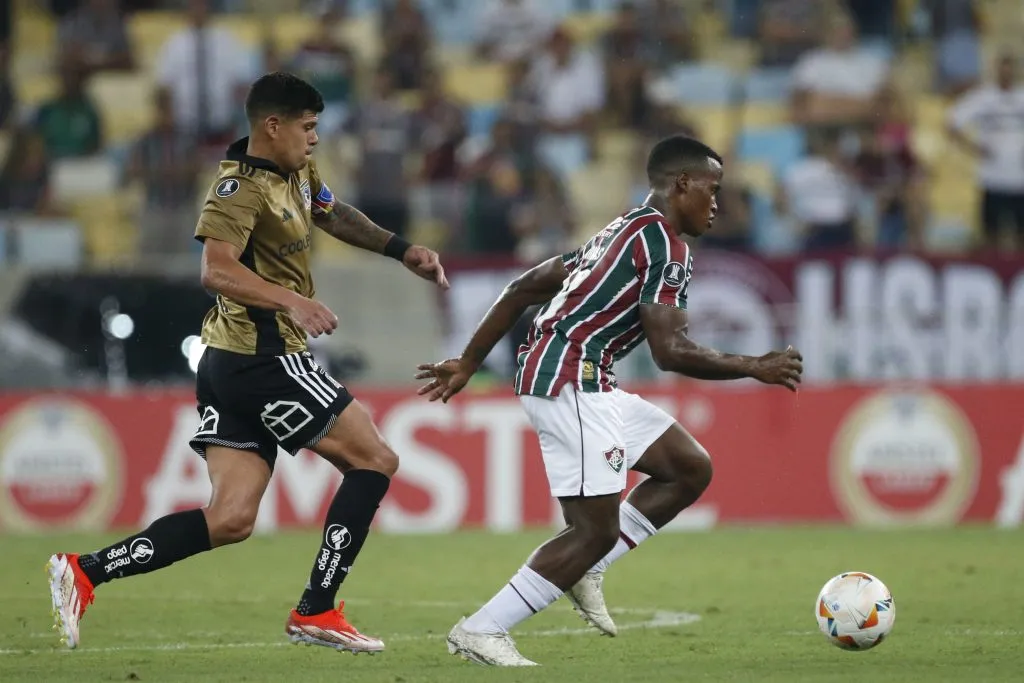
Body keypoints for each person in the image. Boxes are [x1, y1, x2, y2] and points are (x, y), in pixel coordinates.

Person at [46, 72, 449, 653]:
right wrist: (294, 301)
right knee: (375, 460)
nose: (315, 139)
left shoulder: (297, 172)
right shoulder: (237, 190)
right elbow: (215, 269)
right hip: (264, 358)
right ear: (272, 125)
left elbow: (332, 214)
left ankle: (83, 571)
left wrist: (401, 249)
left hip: (228, 363)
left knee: (231, 518)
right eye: (308, 128)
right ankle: (318, 609)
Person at [416, 136, 803, 667]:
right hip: (570, 377)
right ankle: (482, 629)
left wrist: (467, 361)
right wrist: (754, 366)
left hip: (582, 373)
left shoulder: (621, 228)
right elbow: (670, 351)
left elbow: (525, 286)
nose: (718, 204)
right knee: (593, 531)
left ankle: (588, 568)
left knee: (688, 468)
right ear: (682, 184)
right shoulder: (666, 245)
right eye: (713, 191)